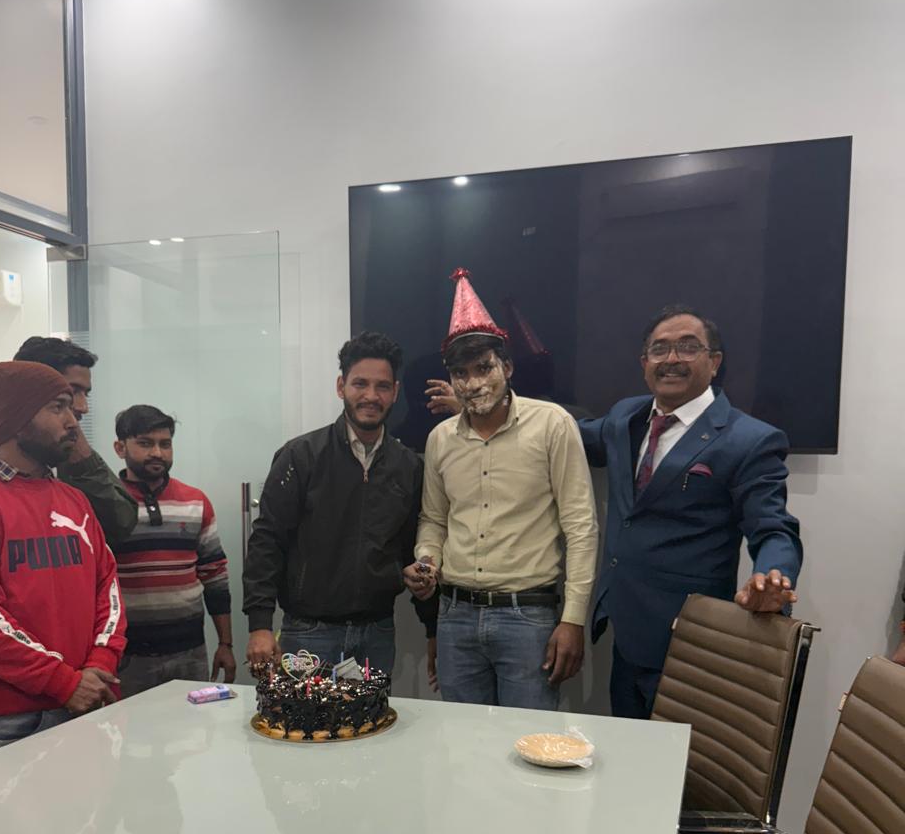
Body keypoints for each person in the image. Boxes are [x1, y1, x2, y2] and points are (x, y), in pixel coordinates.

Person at [579, 304, 803, 719]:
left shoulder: (748, 440)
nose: (672, 359)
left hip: (689, 641)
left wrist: (773, 577)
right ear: (644, 363)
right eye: (659, 349)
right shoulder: (626, 418)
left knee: (682, 758)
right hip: (626, 630)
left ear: (714, 362)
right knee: (628, 749)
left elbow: (773, 528)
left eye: (687, 347)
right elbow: (561, 434)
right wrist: (485, 406)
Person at [406, 268, 598, 710]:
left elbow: (581, 527)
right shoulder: (440, 439)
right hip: (454, 616)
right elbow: (433, 519)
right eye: (460, 372)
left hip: (527, 617)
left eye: (483, 368)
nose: (472, 383)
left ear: (507, 367)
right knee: (461, 740)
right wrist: (427, 562)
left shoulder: (552, 425)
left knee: (528, 740)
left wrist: (573, 619)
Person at [0, 361, 126, 752]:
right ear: (17, 418)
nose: (72, 421)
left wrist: (100, 664)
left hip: (90, 698)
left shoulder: (74, 500)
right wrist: (65, 683)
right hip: (12, 721)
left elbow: (108, 589)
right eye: (58, 407)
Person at [243, 331, 436, 677]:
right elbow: (267, 541)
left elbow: (411, 548)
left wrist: (431, 626)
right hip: (309, 633)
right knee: (302, 715)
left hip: (377, 633)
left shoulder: (407, 466)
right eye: (360, 384)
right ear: (340, 386)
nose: (371, 396)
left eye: (382, 386)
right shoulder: (300, 456)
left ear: (395, 392)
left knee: (374, 715)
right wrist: (259, 625)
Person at [0, 336, 138, 548]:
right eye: (70, 394)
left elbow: (121, 524)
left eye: (85, 394)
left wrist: (83, 463)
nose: (83, 407)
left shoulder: (66, 455)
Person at [111, 404, 235, 695]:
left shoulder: (195, 501)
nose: (157, 452)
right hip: (127, 657)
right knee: (129, 725)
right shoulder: (106, 503)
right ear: (120, 448)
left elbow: (215, 577)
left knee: (192, 724)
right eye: (145, 443)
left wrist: (225, 644)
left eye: (165, 444)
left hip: (189, 653)